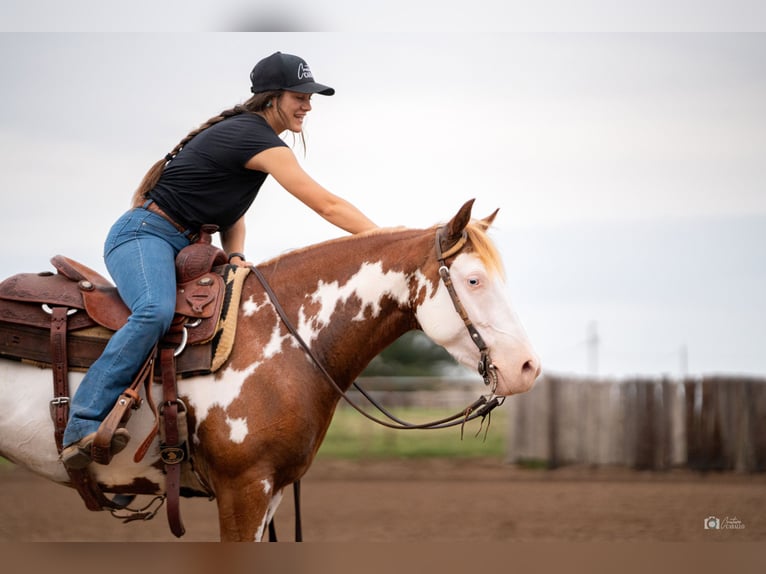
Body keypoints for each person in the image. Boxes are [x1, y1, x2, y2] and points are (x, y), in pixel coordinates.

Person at [61, 51, 378, 468]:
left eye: (310, 96)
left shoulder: (255, 139)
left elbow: (233, 209)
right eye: (299, 95)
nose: (308, 104)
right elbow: (327, 205)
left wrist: (236, 255)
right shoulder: (256, 137)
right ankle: (80, 424)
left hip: (186, 243)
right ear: (272, 98)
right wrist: (385, 240)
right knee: (154, 312)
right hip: (143, 234)